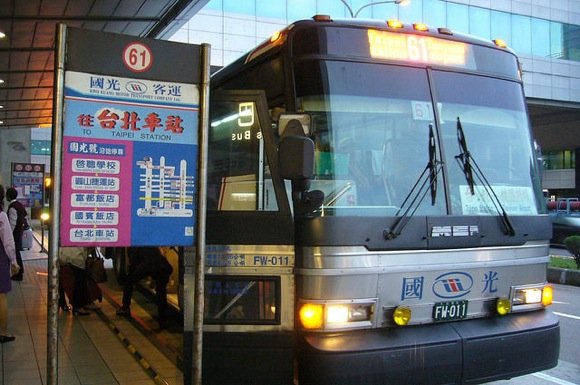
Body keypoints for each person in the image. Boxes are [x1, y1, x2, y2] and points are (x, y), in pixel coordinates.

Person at [116, 247, 173, 329]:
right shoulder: (152, 244)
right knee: (161, 291)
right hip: (162, 267)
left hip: (147, 265)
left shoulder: (134, 245)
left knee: (129, 281)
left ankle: (125, 307)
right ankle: (162, 320)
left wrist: (131, 273)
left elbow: (133, 262)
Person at [0, 185, 20, 342]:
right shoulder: (1, 216)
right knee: (1, 297)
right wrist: (13, 261)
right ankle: (3, 332)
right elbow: (8, 242)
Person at [58, 247, 91, 316]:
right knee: (79, 282)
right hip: (77, 258)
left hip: (62, 256)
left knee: (61, 280)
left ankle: (61, 302)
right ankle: (78, 307)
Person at [6, 187, 26, 281]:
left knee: (16, 254)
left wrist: (8, 234)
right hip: (19, 232)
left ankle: (18, 273)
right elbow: (25, 216)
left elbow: (12, 223)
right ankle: (19, 272)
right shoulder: (19, 205)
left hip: (15, 234)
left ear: (8, 196)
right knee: (16, 253)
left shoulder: (12, 207)